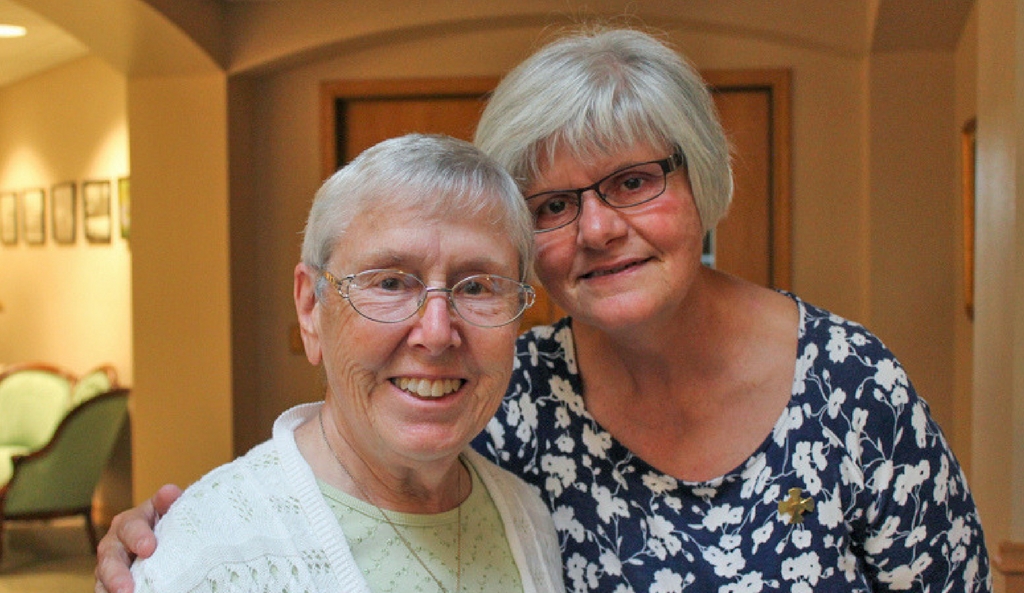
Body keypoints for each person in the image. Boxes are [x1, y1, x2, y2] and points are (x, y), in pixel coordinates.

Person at [97, 27, 990, 593]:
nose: (598, 228)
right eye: (554, 205)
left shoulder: (848, 385)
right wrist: (177, 541)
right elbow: (347, 471)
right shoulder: (510, 394)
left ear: (700, 182)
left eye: (633, 181)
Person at [121, 133, 565, 593]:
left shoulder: (526, 517)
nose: (436, 334)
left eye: (476, 287)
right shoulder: (208, 557)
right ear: (310, 308)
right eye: (390, 283)